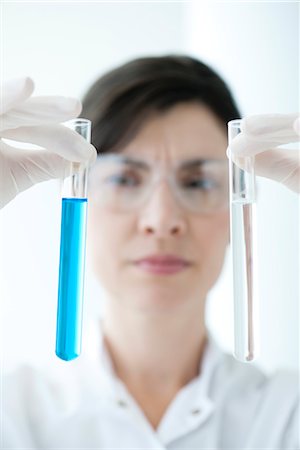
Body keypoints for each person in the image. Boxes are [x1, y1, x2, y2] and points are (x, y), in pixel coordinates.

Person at [1, 55, 299, 449]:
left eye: (196, 183)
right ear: (77, 192)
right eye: (125, 178)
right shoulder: (14, 413)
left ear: (238, 206)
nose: (161, 220)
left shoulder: (286, 416)